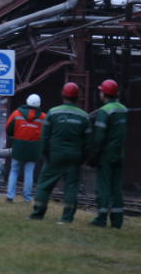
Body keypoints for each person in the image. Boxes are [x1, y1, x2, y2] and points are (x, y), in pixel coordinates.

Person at [30, 83, 92, 223]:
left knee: (44, 186)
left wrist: (44, 154)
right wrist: (84, 157)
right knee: (71, 189)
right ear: (77, 97)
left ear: (62, 95)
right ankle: (67, 218)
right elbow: (88, 141)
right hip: (74, 157)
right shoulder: (84, 116)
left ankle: (38, 214)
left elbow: (44, 136)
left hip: (54, 157)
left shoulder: (53, 113)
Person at [90, 79, 128, 228]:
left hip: (106, 154)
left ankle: (101, 219)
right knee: (116, 188)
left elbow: (99, 136)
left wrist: (94, 155)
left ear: (104, 93)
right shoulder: (123, 109)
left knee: (103, 187)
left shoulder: (104, 111)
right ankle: (117, 221)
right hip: (119, 153)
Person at [5, 94, 46, 203]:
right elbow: (46, 133)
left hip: (18, 147)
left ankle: (10, 197)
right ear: (39, 105)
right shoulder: (43, 117)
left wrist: (13, 136)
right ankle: (27, 199)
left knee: (14, 171)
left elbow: (8, 127)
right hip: (33, 149)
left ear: (26, 102)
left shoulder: (16, 113)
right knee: (29, 173)